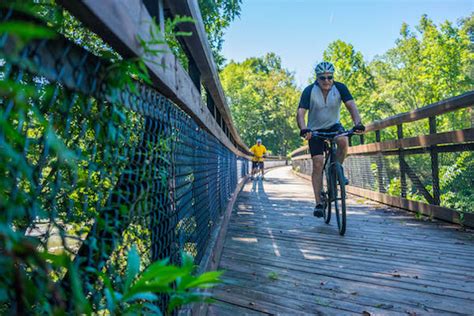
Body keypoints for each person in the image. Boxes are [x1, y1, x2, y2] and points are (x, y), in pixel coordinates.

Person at [296, 61, 365, 218]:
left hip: (334, 126)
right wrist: (304, 129)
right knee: (318, 163)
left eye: (329, 77)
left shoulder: (340, 88)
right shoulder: (309, 91)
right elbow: (300, 113)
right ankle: (319, 203)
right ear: (317, 79)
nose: (326, 81)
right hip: (314, 131)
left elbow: (352, 107)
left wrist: (358, 123)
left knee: (343, 141)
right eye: (322, 78)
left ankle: (336, 169)